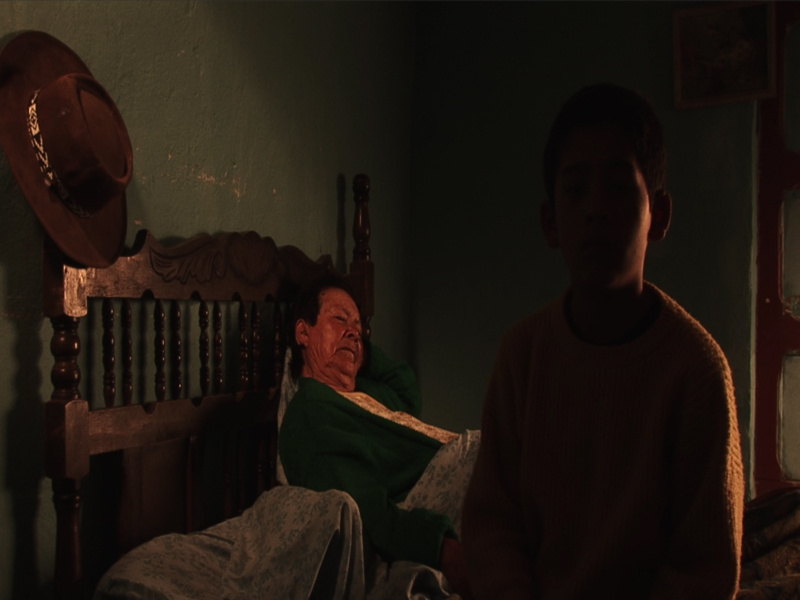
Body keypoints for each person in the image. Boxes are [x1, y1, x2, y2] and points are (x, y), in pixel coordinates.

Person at [461, 83, 745, 599]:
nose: (596, 208)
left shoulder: (697, 372)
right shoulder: (522, 357)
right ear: (550, 222)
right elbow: (492, 526)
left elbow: (703, 567)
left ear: (658, 214)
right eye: (576, 190)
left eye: (618, 188)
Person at [279, 274, 478, 598]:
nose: (354, 331)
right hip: (438, 490)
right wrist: (442, 549)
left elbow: (407, 388)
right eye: (340, 319)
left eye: (359, 327)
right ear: (303, 332)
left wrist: (357, 349)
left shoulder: (367, 391)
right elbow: (361, 505)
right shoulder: (309, 415)